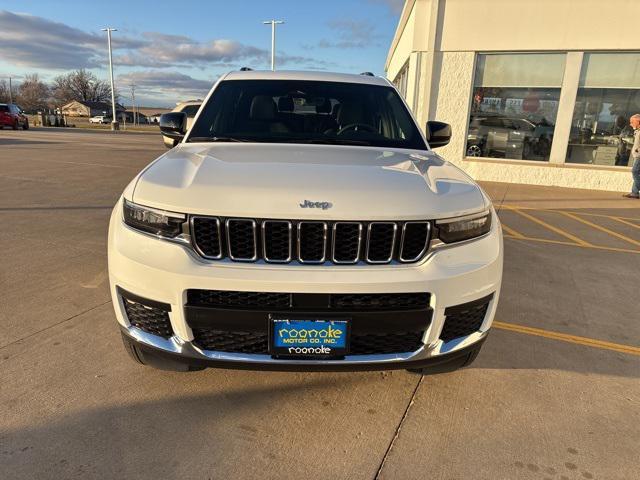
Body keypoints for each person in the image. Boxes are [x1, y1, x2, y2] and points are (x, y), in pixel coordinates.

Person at [623, 114, 640, 198]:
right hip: (637, 155)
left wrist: (638, 151)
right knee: (637, 173)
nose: (630, 124)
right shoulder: (637, 131)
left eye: (632, 122)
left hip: (639, 156)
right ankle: (635, 193)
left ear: (638, 122)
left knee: (635, 171)